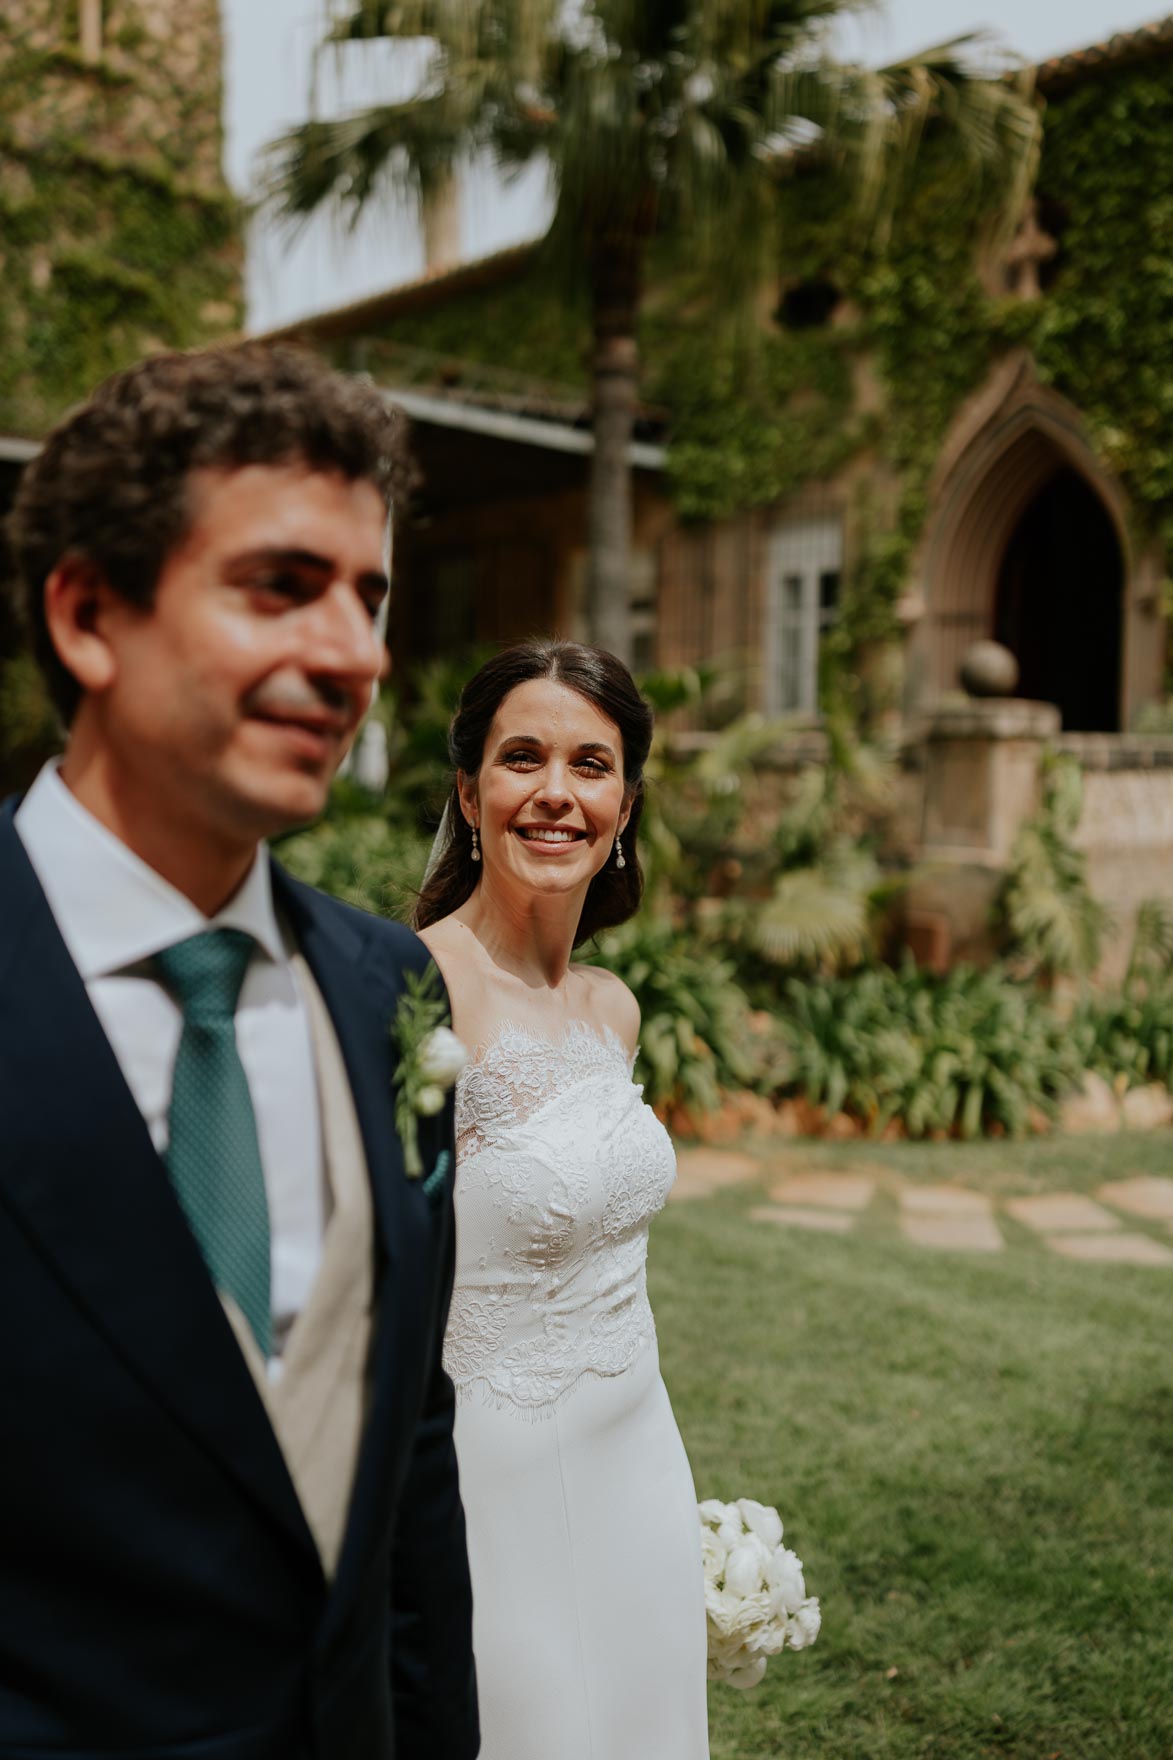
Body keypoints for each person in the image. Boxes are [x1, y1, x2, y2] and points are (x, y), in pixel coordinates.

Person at [0, 344, 478, 1760]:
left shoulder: (388, 985)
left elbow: (408, 1465)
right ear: (90, 615)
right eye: (283, 586)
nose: (357, 656)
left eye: (371, 598)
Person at [416, 641, 710, 1760]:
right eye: (521, 757)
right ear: (469, 790)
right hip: (493, 1475)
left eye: (591, 764)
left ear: (624, 802)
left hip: (639, 1442)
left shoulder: (613, 1005)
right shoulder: (415, 992)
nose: (555, 791)